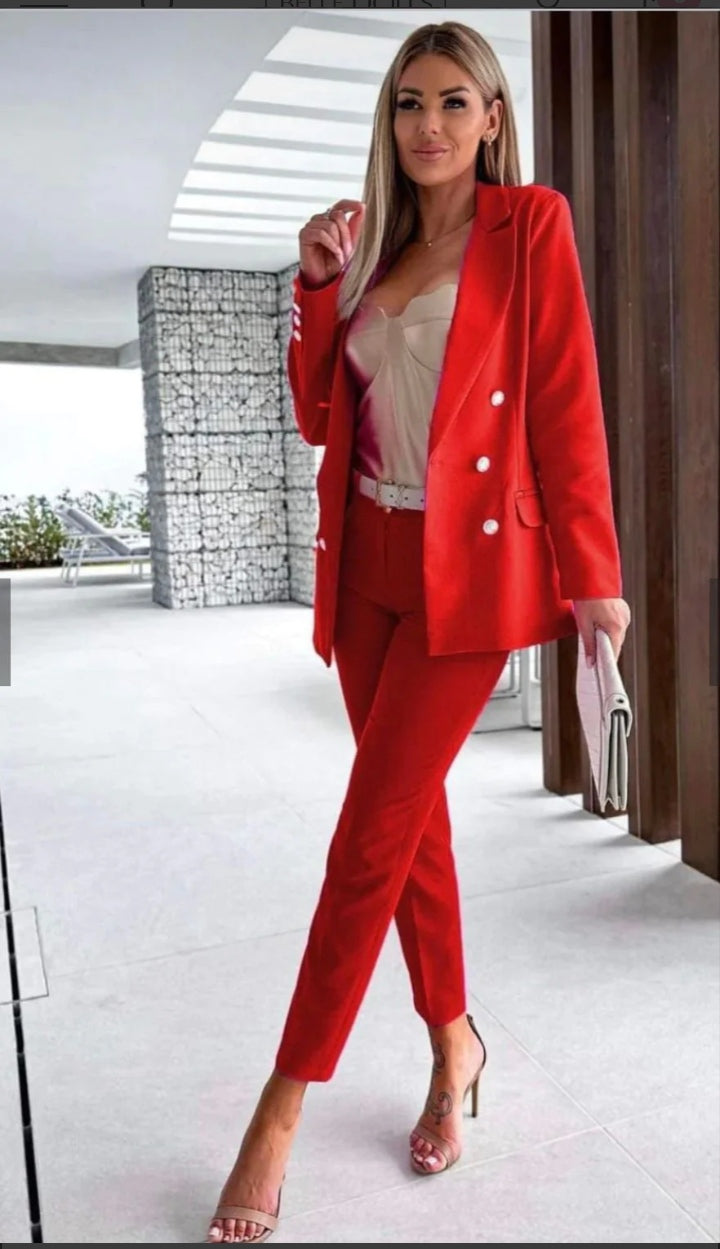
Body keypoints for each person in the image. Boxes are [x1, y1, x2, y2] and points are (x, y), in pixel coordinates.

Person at [207, 20, 631, 1244]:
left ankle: (282, 1103)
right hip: (367, 567)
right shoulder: (372, 248)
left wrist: (595, 578)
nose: (429, 124)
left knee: (367, 837)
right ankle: (456, 1043)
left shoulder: (528, 226)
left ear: (493, 118)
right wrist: (313, 286)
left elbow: (566, 405)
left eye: (454, 101)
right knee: (412, 831)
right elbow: (316, 418)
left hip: (469, 573)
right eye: (409, 103)